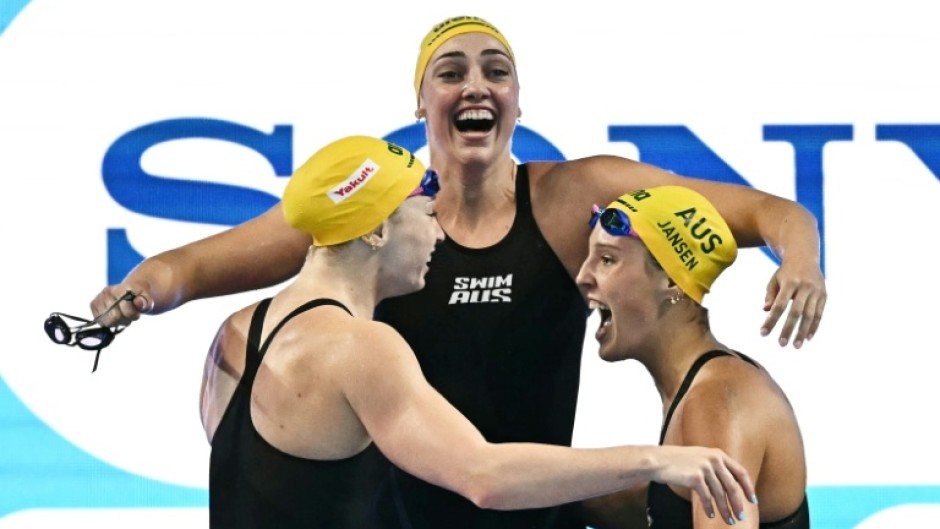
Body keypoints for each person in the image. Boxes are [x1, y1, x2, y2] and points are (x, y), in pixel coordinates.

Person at [91, 15, 825, 529]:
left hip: (529, 504)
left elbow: (766, 210)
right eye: (451, 72)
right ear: (421, 103)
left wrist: (801, 257)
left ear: (517, 101)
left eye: (496, 71)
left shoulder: (572, 199)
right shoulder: (372, 207)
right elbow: (187, 266)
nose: (476, 85)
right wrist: (134, 294)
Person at [201, 135, 756, 528]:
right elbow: (484, 476)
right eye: (424, 212)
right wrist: (658, 459)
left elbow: (270, 493)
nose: (437, 233)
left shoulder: (237, 331)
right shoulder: (361, 348)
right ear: (374, 231)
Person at [576, 186, 810, 529]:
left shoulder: (716, 403)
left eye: (607, 259)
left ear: (672, 280)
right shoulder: (704, 385)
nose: (583, 277)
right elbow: (664, 505)